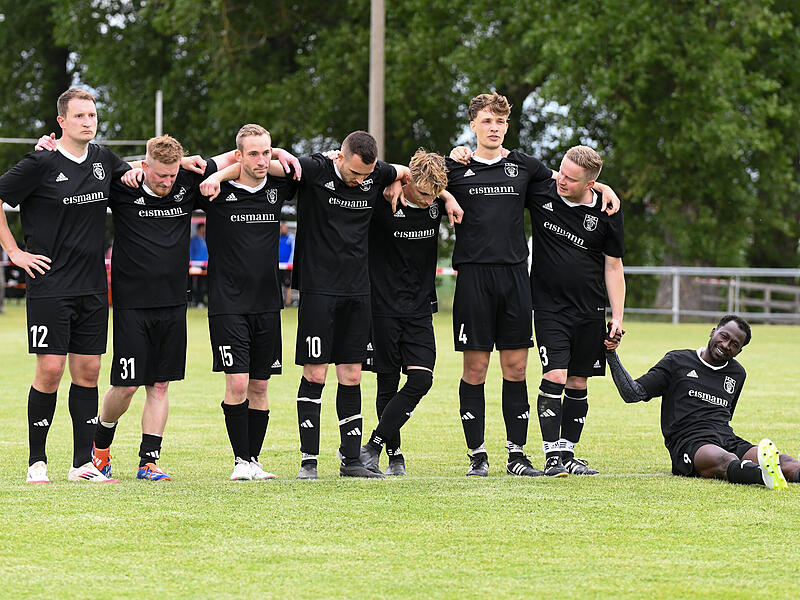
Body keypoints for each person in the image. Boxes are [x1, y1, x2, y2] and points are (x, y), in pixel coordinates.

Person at [0, 88, 130, 483]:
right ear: (61, 121)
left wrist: (189, 163)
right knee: (51, 369)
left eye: (92, 115)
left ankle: (81, 464)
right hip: (50, 284)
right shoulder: (40, 162)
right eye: (79, 116)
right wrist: (14, 252)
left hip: (92, 286)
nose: (88, 122)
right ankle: (36, 462)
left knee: (88, 371)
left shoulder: (104, 160)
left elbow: (144, 173)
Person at [198, 124, 301, 481]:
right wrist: (220, 173)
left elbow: (300, 169)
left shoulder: (277, 188)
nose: (261, 160)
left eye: (266, 152)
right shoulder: (215, 190)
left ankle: (254, 460)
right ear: (238, 155)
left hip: (268, 303)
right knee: (238, 383)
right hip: (228, 304)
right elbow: (192, 168)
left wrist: (281, 155)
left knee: (260, 385)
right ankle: (241, 461)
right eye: (252, 153)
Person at [606, 315, 796, 489]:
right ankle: (763, 476)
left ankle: (774, 470)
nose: (726, 345)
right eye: (724, 336)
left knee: (783, 461)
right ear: (713, 332)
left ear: (739, 351)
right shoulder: (677, 361)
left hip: (726, 438)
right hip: (689, 442)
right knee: (726, 459)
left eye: (734, 344)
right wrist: (611, 354)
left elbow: (726, 415)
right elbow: (633, 393)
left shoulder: (737, 374)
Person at [526, 145, 625, 476]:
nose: (562, 181)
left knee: (579, 381)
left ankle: (568, 453)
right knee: (555, 375)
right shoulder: (542, 191)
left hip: (590, 309)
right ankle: (552, 456)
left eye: (571, 178)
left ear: (590, 184)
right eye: (561, 172)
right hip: (549, 307)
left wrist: (617, 317)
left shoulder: (607, 211)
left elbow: (614, 267)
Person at [358, 149, 452, 476]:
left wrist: (448, 197)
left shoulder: (436, 203)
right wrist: (395, 176)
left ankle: (372, 446)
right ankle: (394, 455)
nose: (429, 201)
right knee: (387, 383)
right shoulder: (381, 202)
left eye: (435, 195)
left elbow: (448, 184)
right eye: (424, 193)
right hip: (382, 307)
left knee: (422, 379)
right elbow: (369, 171)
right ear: (407, 180)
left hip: (420, 309)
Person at [189, 221, 209, 307]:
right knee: (197, 284)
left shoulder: (206, 239)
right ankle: (197, 300)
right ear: (199, 229)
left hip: (206, 265)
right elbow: (190, 253)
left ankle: (204, 300)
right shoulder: (193, 240)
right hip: (196, 265)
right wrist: (191, 263)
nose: (204, 230)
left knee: (206, 284)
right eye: (203, 228)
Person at [278, 222, 295, 307]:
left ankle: (288, 303)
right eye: (282, 228)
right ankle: (278, 303)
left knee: (287, 285)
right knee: (277, 285)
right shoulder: (278, 238)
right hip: (278, 265)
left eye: (285, 228)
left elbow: (293, 250)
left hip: (287, 266)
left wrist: (290, 262)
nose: (284, 230)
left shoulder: (290, 238)